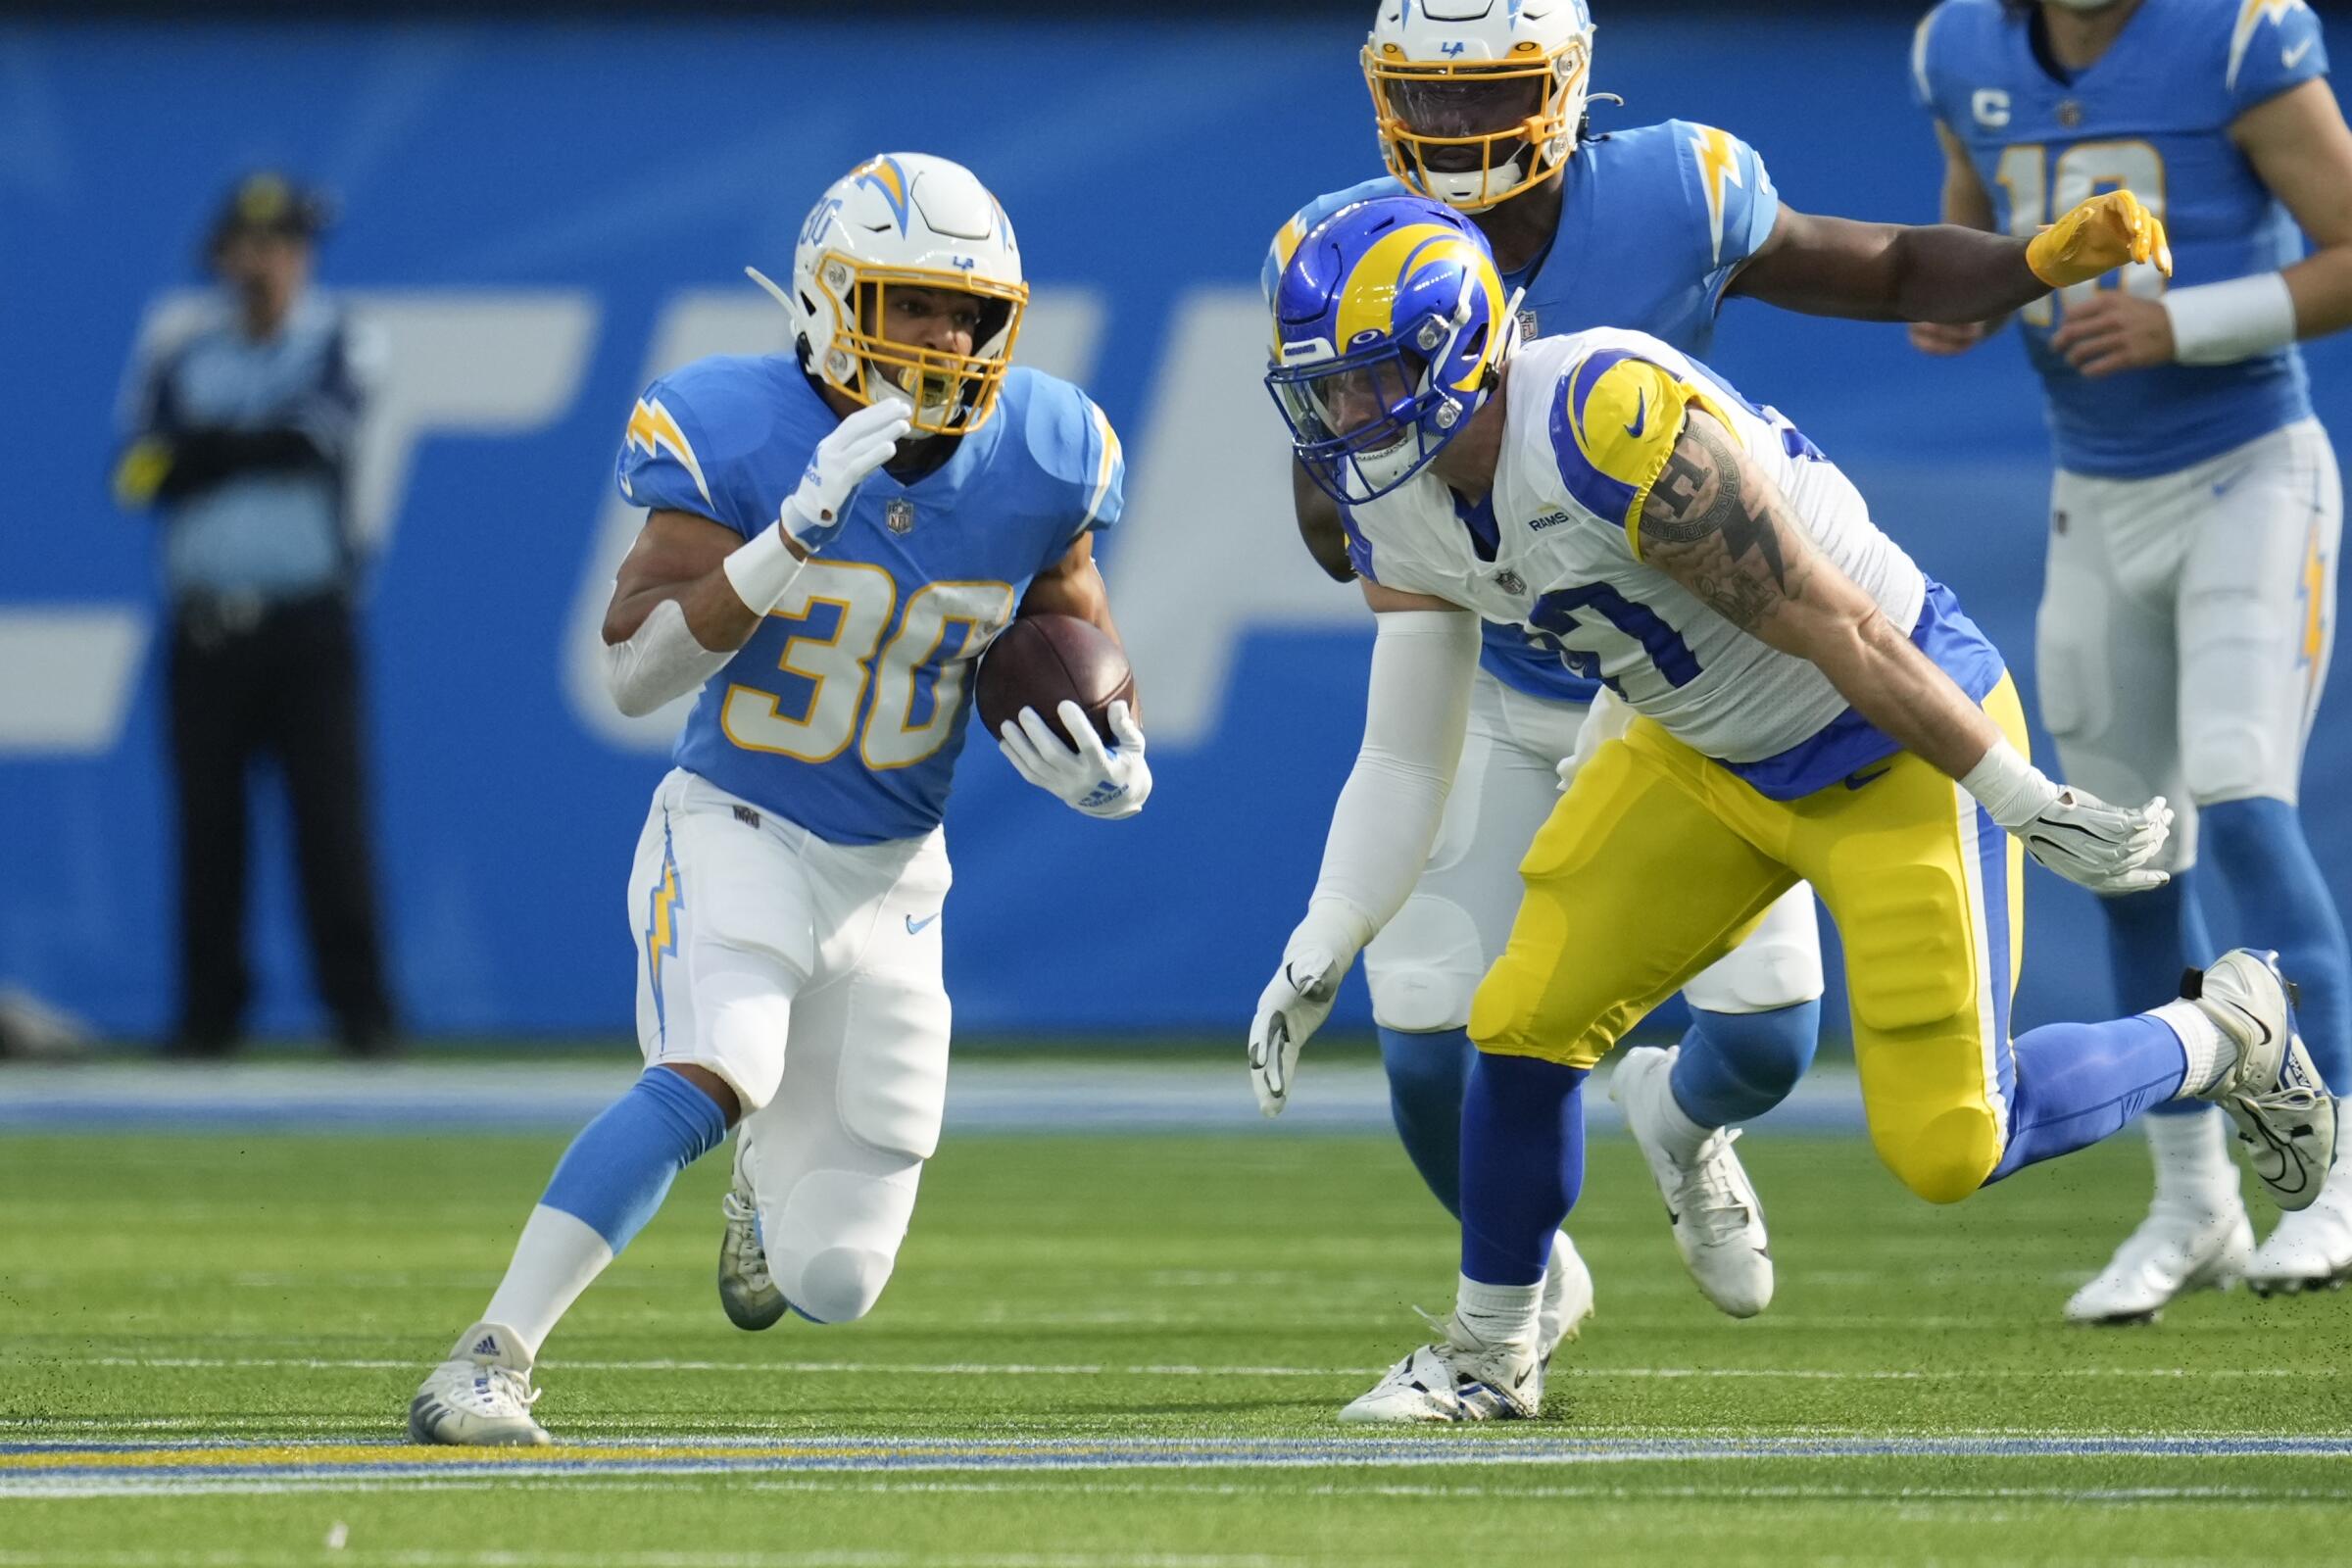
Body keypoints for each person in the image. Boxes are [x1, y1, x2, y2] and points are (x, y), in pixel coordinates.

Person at [1250, 194, 2332, 1422]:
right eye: (1325, 388)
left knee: (1951, 1146)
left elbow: (1846, 629)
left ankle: (2228, 1030)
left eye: (1370, 377)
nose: (1344, 417)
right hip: (1697, 752)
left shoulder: (1608, 426)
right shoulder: (1390, 494)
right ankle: (1491, 1356)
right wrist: (1329, 931)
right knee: (1523, 1019)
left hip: (1894, 742)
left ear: (1455, 349)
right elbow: (1404, 748)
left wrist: (2020, 795)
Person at [1264, 0, 2177, 1342]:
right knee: (1435, 1030)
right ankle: (1517, 1292)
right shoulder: (1350, 256)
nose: (1455, 128)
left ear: (1567, 85)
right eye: (1428, 96)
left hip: (1704, 669)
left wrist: (2033, 262)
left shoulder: (1668, 210)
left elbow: (1886, 270)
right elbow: (1341, 502)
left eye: (1489, 92)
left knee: (1762, 1041)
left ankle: (1682, 1128)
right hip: (1514, 667)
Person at [407, 153, 1150, 1446]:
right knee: (721, 1062)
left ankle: (760, 1184)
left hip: (897, 879)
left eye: (969, 313)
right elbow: (637, 673)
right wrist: (790, 534)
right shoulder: (737, 426)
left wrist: (1110, 748)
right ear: (829, 299)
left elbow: (1067, 632)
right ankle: (490, 1356)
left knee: (834, 1280)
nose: (948, 338)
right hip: (739, 827)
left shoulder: (1046, 449)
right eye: (914, 303)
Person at [1911, 0, 2352, 1316]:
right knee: (2123, 845)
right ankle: (2193, 1197)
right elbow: (1979, 232)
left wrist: (2187, 321)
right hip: (2092, 498)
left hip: (2247, 475)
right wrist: (1971, 303)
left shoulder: (2237, 39)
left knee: (2240, 791)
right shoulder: (1961, 50)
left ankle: (2336, 1174)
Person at [112, 172, 396, 1058]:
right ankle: (207, 1017)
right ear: (224, 254)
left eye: (288, 244)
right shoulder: (182, 351)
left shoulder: (343, 338)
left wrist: (209, 447)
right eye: (255, 244)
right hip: (205, 630)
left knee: (330, 825)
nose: (271, 262)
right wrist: (246, 444)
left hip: (306, 626)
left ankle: (363, 1015)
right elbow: (137, 475)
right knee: (207, 828)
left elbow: (318, 437)